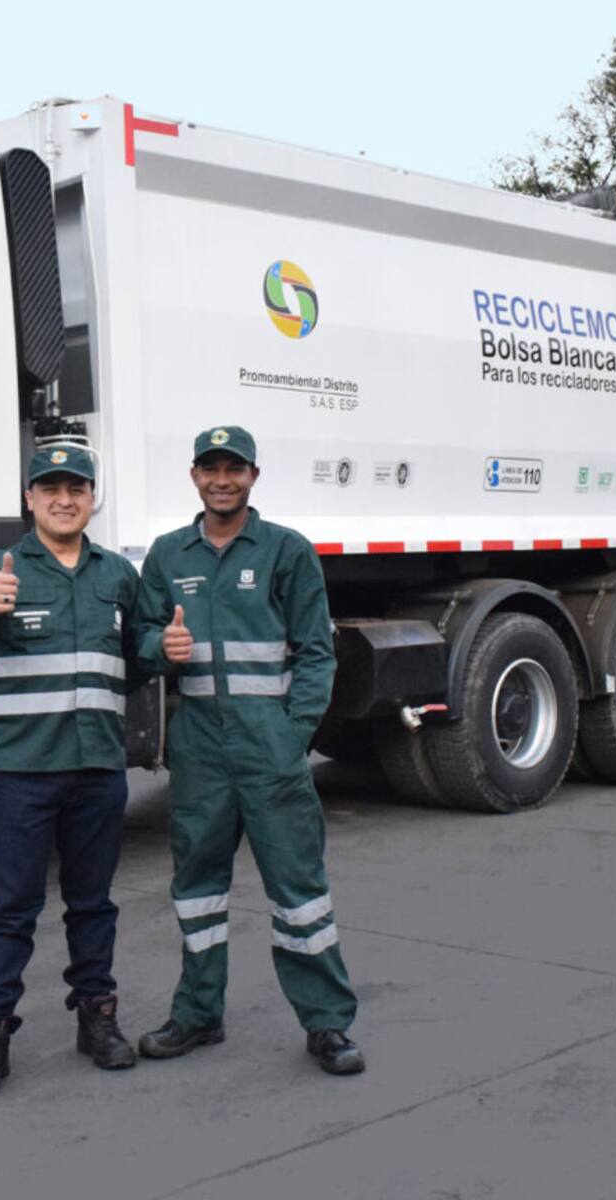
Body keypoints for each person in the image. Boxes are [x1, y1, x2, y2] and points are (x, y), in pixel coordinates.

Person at [133, 425, 364, 1075]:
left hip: (268, 748)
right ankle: (198, 1013)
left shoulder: (286, 550)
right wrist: (159, 649)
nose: (222, 480)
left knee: (299, 891)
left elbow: (317, 653)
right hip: (200, 749)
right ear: (194, 476)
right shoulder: (168, 554)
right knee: (197, 890)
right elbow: (142, 640)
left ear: (253, 476)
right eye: (210, 468)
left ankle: (327, 1024)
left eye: (234, 469)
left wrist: (292, 736)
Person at [0, 446, 140, 1099]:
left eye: (76, 488)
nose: (64, 499)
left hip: (98, 768)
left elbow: (135, 655)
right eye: (50, 488)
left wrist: (165, 651)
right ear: (29, 498)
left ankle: (97, 1017)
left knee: (94, 904)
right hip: (23, 772)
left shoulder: (117, 574)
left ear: (92, 497)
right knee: (12, 909)